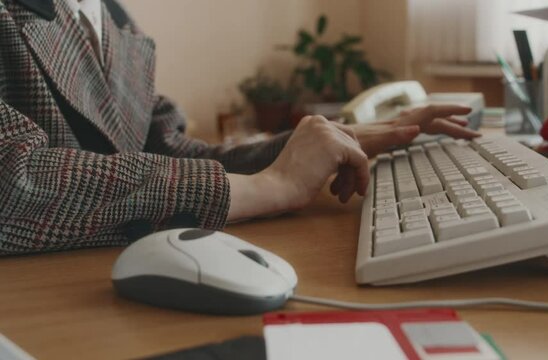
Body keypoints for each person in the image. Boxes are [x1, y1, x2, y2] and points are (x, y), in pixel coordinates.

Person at [0, 0, 479, 255]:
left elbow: (169, 151)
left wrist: (337, 137)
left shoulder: (115, 21)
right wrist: (271, 188)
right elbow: (12, 180)